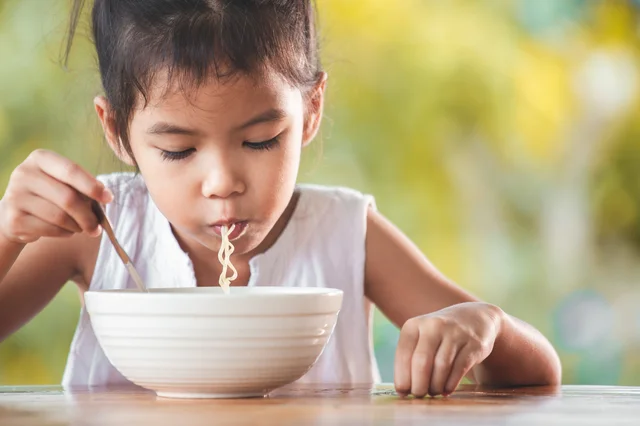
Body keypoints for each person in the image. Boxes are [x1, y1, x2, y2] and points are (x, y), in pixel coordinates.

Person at [0, 0, 561, 398]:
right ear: (117, 130)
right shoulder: (98, 226)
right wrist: (7, 235)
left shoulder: (345, 232)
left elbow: (538, 374)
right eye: (176, 149)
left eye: (261, 139)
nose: (222, 182)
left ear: (311, 110)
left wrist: (485, 326)